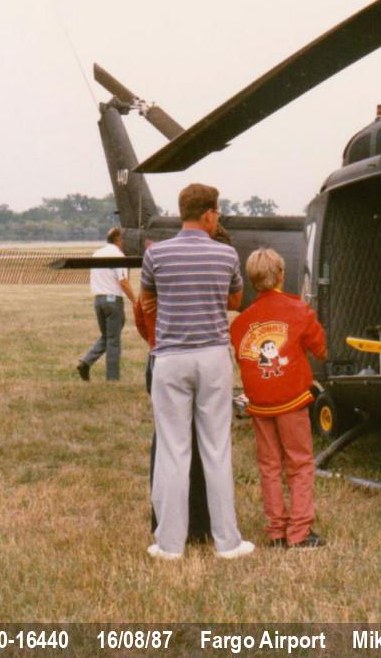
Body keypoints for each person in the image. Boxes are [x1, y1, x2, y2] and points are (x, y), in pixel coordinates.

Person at [141, 183, 253, 560]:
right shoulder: (226, 254)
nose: (217, 218)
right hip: (213, 356)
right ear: (207, 214)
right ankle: (227, 541)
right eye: (217, 212)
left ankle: (169, 543)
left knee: (173, 449)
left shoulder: (156, 254)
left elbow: (147, 301)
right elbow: (234, 300)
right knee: (216, 449)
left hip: (171, 357)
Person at [231, 248, 328, 548]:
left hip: (259, 403)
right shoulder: (298, 310)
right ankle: (299, 532)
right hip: (291, 401)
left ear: (251, 280)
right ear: (282, 275)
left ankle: (276, 531)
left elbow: (242, 358)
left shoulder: (240, 323)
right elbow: (320, 348)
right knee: (299, 463)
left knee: (269, 466)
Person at [134, 238, 211, 543]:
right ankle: (199, 522)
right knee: (200, 440)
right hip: (189, 359)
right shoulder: (188, 292)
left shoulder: (149, 294)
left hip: (159, 359)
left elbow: (141, 323)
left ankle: (164, 520)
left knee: (166, 441)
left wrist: (155, 342)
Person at [76, 227, 135, 382]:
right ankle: (112, 378)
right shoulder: (119, 256)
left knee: (107, 336)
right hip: (113, 301)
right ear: (118, 240)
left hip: (98, 300)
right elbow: (123, 282)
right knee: (113, 341)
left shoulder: (97, 253)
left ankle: (86, 363)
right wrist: (135, 301)